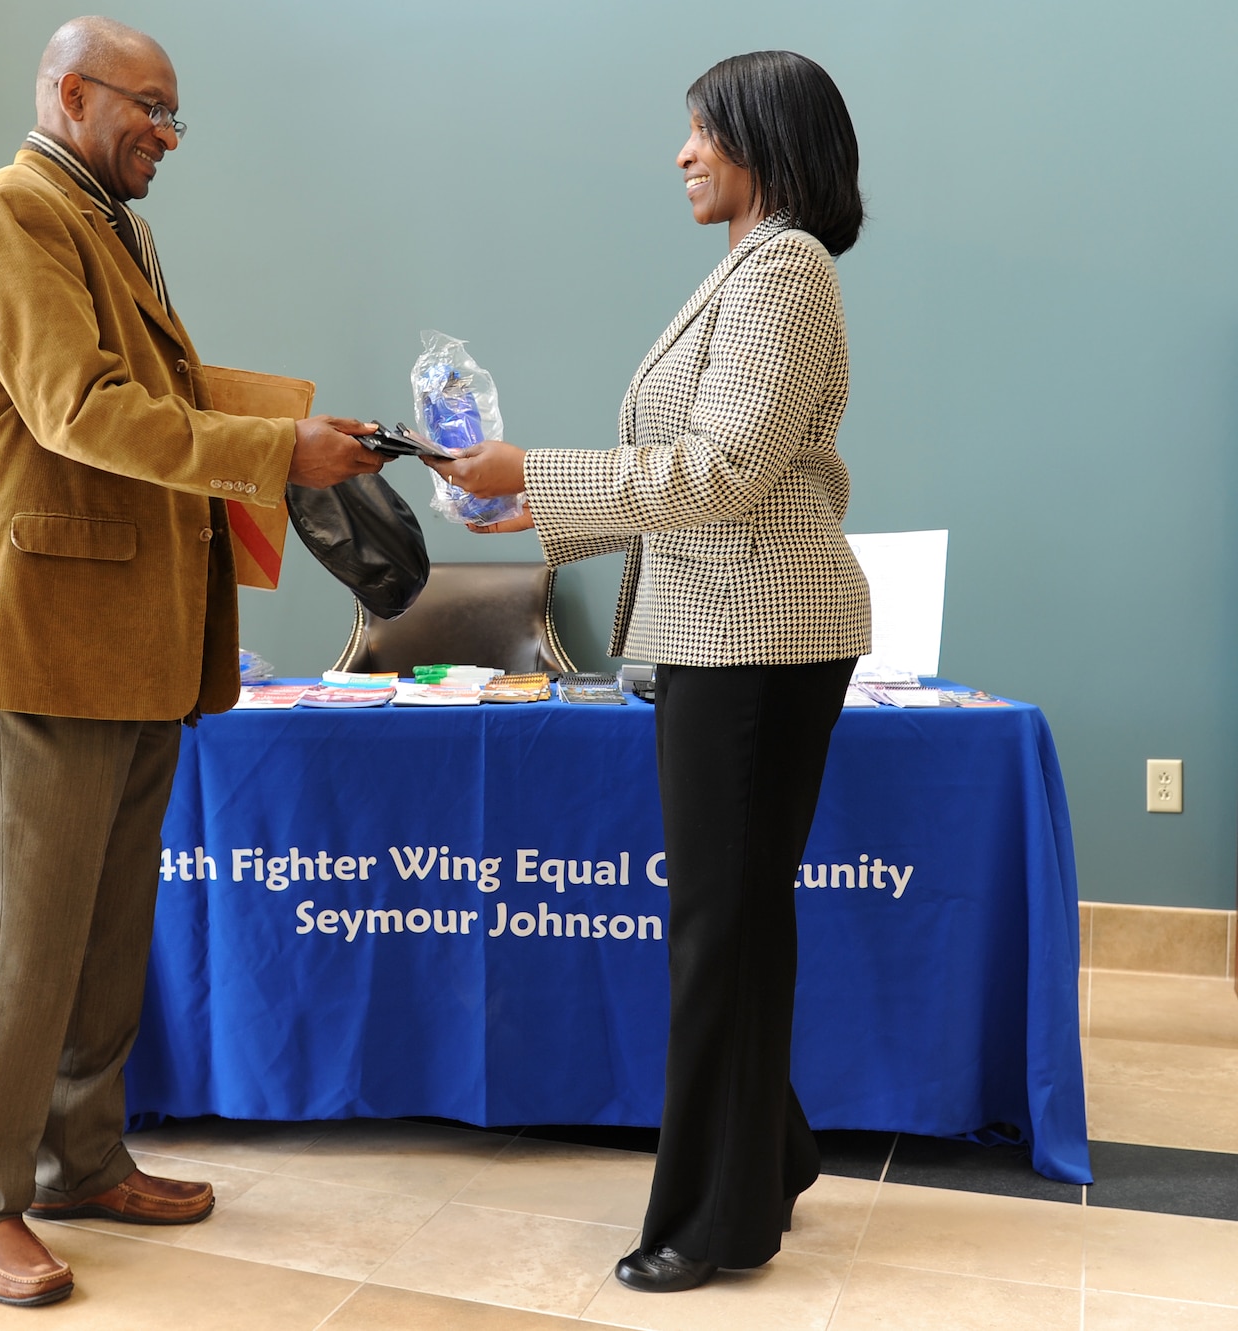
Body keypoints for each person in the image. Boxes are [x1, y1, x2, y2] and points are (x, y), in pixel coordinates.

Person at [0, 15, 383, 1309]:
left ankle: (77, 1153)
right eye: (149, 109)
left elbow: (146, 382)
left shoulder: (106, 221)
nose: (167, 135)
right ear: (68, 92)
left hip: (128, 637)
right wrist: (273, 453)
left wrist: (289, 423)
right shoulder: (13, 213)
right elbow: (76, 408)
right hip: (39, 635)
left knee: (107, 925)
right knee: (24, 932)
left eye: (175, 115)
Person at [429, 50, 872, 1293]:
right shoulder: (745, 267)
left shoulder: (781, 268)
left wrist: (538, 476)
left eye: (699, 132)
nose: (680, 154)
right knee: (728, 919)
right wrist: (535, 512)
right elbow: (700, 468)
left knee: (718, 926)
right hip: (718, 629)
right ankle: (766, 1150)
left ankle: (713, 1220)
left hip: (757, 633)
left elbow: (724, 469)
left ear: (763, 142)